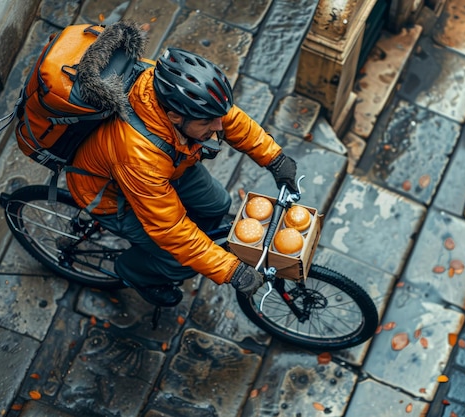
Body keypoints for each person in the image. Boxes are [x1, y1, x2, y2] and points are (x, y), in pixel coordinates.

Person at [66, 45, 298, 307]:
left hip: (170, 163)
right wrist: (230, 270)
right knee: (179, 263)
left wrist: (274, 158)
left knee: (219, 204)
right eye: (207, 122)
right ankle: (135, 273)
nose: (218, 127)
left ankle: (198, 243)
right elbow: (170, 229)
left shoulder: (173, 92)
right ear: (174, 116)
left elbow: (228, 118)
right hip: (111, 195)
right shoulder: (138, 155)